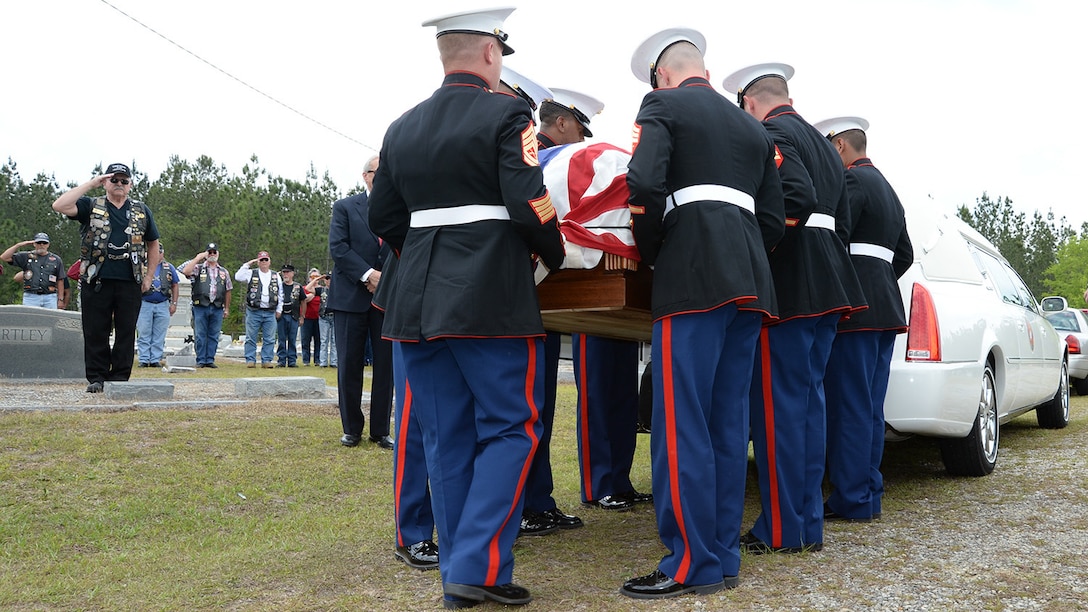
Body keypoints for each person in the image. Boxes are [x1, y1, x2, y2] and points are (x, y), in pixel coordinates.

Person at [368, 7, 565, 608]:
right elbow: (528, 197)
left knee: (446, 438)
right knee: (511, 427)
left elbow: (384, 219)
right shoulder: (510, 113)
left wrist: (424, 257)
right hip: (489, 298)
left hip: (416, 302)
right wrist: (551, 252)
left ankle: (463, 571)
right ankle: (477, 567)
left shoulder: (401, 127)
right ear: (490, 52)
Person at [620, 29, 784, 599]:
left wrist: (657, 249)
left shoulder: (661, 104)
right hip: (748, 280)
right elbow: (772, 215)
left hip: (691, 275)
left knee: (679, 422)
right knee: (724, 423)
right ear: (704, 70)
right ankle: (721, 555)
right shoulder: (751, 126)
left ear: (661, 75)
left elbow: (641, 181)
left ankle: (691, 562)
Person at [722, 62, 866, 555]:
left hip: (792, 285)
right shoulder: (826, 146)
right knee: (808, 408)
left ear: (749, 103)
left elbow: (794, 198)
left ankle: (782, 529)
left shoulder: (773, 131)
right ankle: (805, 524)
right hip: (828, 282)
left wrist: (762, 249)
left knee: (778, 412)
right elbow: (841, 221)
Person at [493, 70, 585, 536]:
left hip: (517, 290)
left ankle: (532, 500)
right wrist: (556, 252)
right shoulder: (510, 133)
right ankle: (521, 505)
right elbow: (535, 202)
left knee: (533, 405)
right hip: (518, 287)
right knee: (519, 408)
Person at [812, 116, 914, 522]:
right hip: (885, 308)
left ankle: (852, 497)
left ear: (838, 147)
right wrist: (878, 279)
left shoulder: (851, 182)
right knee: (870, 407)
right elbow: (903, 254)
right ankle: (868, 492)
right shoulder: (890, 190)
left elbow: (836, 235)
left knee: (850, 406)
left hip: (856, 311)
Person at [52, 162, 161, 392]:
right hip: (97, 279)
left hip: (130, 280)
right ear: (105, 183)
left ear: (130, 184)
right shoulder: (90, 205)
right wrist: (91, 184)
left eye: (124, 180)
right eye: (114, 180)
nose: (119, 184)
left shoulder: (141, 210)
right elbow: (59, 205)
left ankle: (120, 378)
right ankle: (97, 378)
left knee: (126, 330)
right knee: (95, 330)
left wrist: (149, 276)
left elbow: (153, 244)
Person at [328, 155, 394, 450]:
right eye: (379, 172)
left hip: (387, 298)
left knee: (386, 367)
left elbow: (402, 247)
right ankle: (351, 428)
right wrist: (369, 275)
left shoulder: (399, 209)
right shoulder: (345, 207)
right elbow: (338, 248)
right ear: (366, 176)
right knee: (350, 364)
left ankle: (380, 430)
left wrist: (385, 278)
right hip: (350, 297)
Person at [181, 243, 232, 368]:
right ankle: (201, 359)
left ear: (218, 254)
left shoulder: (223, 272)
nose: (212, 254)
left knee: (214, 334)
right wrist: (198, 258)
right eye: (210, 252)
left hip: (217, 307)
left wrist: (227, 308)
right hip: (200, 306)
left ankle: (210, 359)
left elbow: (228, 290)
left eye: (214, 252)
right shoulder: (199, 268)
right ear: (206, 253)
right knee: (200, 334)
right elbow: (185, 271)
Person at [235, 251, 283, 368]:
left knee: (270, 338)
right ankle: (250, 360)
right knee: (251, 337)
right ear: (258, 261)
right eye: (261, 260)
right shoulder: (251, 273)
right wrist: (248, 264)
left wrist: (279, 309)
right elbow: (238, 276)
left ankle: (266, 360)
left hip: (270, 311)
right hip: (254, 311)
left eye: (266, 260)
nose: (264, 262)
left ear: (269, 261)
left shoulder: (276, 275)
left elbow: (280, 293)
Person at [135, 243, 179, 368]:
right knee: (144, 331)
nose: (157, 254)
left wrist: (174, 303)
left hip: (162, 303)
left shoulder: (168, 267)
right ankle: (144, 358)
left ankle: (155, 358)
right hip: (145, 303)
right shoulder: (142, 266)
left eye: (159, 251)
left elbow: (175, 285)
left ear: (162, 253)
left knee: (159, 333)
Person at [1, 232, 66, 309]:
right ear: (34, 244)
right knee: (30, 319)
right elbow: (4, 257)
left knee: (50, 319)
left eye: (44, 243)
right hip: (31, 296)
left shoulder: (56, 259)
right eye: (39, 243)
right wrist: (18, 245)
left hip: (50, 296)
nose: (41, 245)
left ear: (48, 244)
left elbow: (60, 280)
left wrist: (60, 299)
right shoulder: (27, 256)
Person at [276, 263, 303, 367]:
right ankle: (281, 360)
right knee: (281, 339)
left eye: (287, 272)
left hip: (294, 315)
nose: (285, 274)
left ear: (292, 273)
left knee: (292, 339)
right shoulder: (279, 286)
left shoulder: (297, 286)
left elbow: (303, 301)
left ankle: (292, 360)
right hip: (281, 315)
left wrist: (302, 316)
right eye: (284, 272)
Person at [299, 268, 323, 365]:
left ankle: (317, 360)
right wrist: (313, 293)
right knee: (305, 340)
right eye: (313, 277)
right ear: (309, 278)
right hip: (307, 318)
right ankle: (306, 360)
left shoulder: (322, 289)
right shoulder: (305, 288)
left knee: (319, 340)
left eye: (317, 277)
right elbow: (306, 299)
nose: (315, 279)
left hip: (319, 318)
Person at [317, 272, 337, 368]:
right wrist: (317, 279)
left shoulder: (337, 290)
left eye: (330, 279)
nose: (329, 281)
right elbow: (308, 288)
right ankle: (323, 362)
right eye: (327, 279)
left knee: (334, 340)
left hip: (335, 317)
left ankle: (334, 362)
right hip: (324, 317)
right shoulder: (321, 290)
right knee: (324, 340)